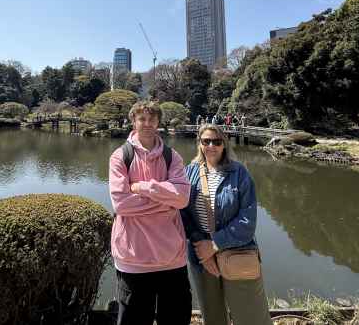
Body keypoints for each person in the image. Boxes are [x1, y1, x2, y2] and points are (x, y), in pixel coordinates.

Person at [109, 100, 192, 325]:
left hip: (171, 258)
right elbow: (121, 204)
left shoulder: (171, 156)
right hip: (133, 258)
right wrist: (167, 200)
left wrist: (145, 188)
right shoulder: (120, 156)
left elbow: (183, 197)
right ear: (133, 122)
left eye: (152, 119)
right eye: (142, 119)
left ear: (158, 123)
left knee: (175, 319)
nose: (147, 123)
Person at [181, 124, 272, 325]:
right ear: (200, 144)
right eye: (206, 141)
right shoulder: (189, 172)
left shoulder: (239, 173)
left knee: (252, 316)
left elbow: (247, 222)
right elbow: (182, 213)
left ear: (224, 144)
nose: (211, 145)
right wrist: (201, 247)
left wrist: (214, 245)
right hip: (201, 257)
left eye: (217, 141)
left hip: (237, 254)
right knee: (212, 316)